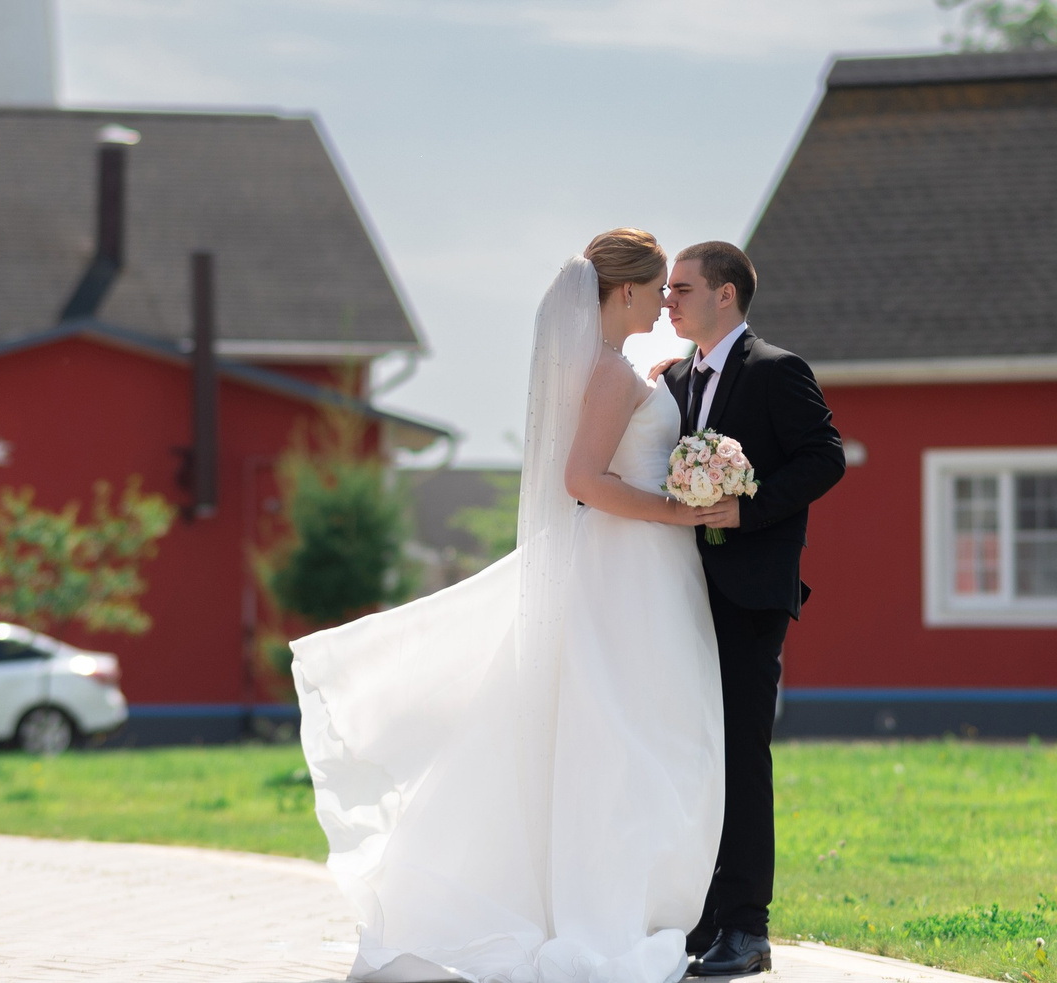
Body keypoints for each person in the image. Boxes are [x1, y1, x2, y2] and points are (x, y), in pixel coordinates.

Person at [293, 229, 730, 983]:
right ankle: (608, 906)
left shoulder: (613, 370)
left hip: (636, 565)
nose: (665, 302)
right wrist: (677, 509)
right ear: (623, 292)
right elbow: (584, 480)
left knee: (628, 738)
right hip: (630, 566)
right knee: (624, 743)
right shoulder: (609, 374)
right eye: (657, 289)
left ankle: (627, 894)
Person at [661, 242, 845, 979]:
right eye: (666, 289)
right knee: (692, 754)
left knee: (740, 753)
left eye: (682, 288)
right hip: (676, 593)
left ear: (726, 295)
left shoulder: (776, 370)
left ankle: (748, 926)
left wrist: (749, 507)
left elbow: (825, 456)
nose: (668, 301)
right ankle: (703, 913)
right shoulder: (674, 377)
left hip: (749, 595)